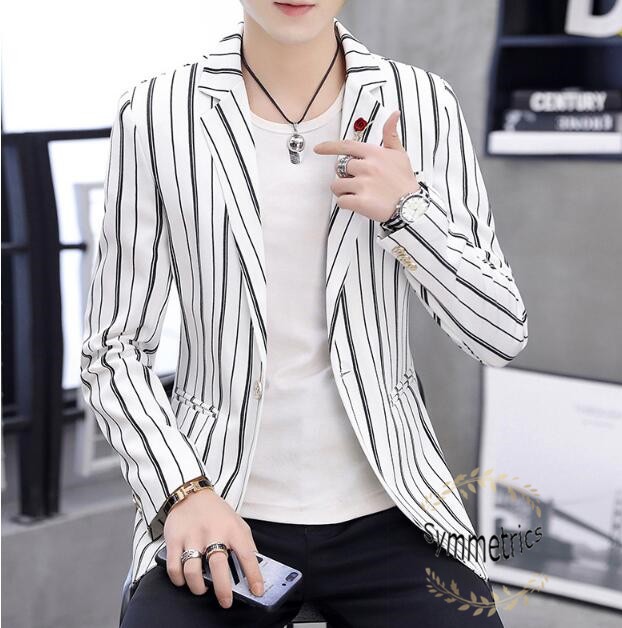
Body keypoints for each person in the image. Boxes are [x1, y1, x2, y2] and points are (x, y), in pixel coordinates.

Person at [80, 1, 528, 626]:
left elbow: (500, 334)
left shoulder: (422, 103)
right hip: (220, 498)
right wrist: (183, 491)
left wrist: (408, 212)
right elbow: (114, 348)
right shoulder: (157, 113)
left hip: (394, 507)